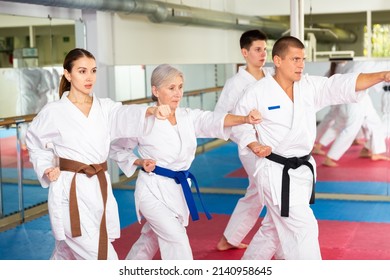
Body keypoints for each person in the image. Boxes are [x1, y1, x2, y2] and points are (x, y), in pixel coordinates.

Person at [232, 36, 390, 260]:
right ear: (277, 60)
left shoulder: (308, 86)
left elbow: (341, 84)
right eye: (295, 59)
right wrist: (253, 143)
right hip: (276, 173)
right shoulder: (257, 92)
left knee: (273, 231)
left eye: (303, 59)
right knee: (304, 228)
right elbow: (240, 124)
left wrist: (382, 76)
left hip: (301, 172)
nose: (301, 64)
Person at [25, 48, 168, 260]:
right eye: (82, 71)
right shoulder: (54, 111)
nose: (89, 77)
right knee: (103, 258)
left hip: (98, 187)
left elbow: (124, 114)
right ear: (67, 74)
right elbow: (34, 142)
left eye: (93, 71)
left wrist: (150, 110)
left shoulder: (105, 108)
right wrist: (46, 167)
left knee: (66, 255)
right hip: (69, 190)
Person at [109, 64, 262, 260]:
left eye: (180, 87)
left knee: (150, 238)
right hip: (152, 190)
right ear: (155, 91)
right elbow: (117, 148)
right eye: (171, 88)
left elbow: (214, 120)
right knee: (176, 239)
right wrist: (138, 161)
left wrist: (245, 119)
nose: (177, 93)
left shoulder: (187, 117)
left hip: (177, 191)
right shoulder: (144, 119)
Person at [214, 29, 274, 251]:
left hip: (272, 143)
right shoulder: (235, 83)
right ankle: (280, 247)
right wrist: (247, 140)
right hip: (250, 146)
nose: (263, 54)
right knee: (268, 192)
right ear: (245, 52)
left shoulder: (271, 76)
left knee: (257, 193)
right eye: (258, 49)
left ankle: (229, 239)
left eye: (265, 49)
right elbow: (220, 116)